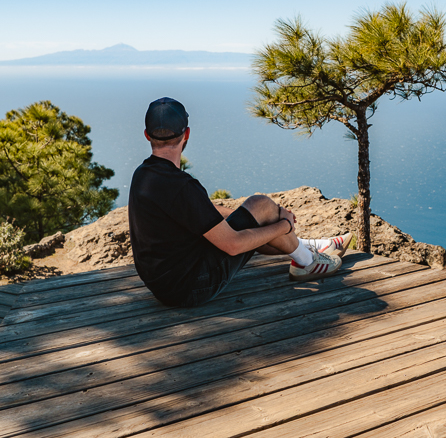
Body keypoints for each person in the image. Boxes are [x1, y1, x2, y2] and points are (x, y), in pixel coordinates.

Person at [128, 97, 352, 307]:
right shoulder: (183, 186)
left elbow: (203, 212)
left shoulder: (143, 175)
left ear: (147, 135)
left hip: (165, 284)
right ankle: (307, 262)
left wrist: (252, 218)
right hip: (190, 287)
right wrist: (285, 225)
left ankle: (307, 249)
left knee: (259, 214)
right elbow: (233, 245)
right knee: (261, 204)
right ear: (186, 134)